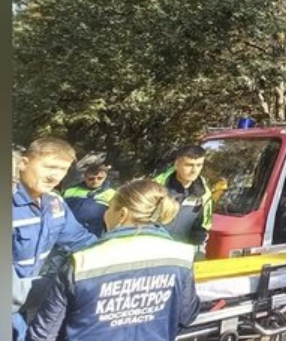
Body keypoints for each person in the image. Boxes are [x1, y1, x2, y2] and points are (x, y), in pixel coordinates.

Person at [27, 179, 201, 341]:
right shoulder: (181, 255)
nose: (105, 214)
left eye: (109, 208)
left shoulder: (83, 261)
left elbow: (43, 334)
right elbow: (187, 315)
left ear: (122, 214)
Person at [12, 138, 98, 341]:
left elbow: (81, 240)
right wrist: (60, 288)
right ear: (23, 163)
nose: (55, 176)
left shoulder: (54, 204)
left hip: (26, 306)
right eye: (49, 167)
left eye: (62, 169)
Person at [153, 144, 213, 251]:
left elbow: (201, 228)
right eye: (189, 165)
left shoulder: (204, 194)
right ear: (176, 164)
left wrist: (197, 252)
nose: (194, 170)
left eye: (199, 165)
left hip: (182, 253)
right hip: (153, 250)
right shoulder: (156, 188)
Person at [63, 161, 116, 237]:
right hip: (68, 232)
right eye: (91, 179)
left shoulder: (112, 193)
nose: (95, 181)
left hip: (93, 234)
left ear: (105, 177)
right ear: (85, 177)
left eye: (100, 178)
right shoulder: (70, 190)